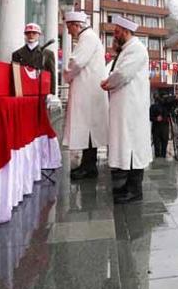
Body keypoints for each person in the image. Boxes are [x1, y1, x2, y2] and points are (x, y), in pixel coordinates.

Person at [101, 15, 152, 204]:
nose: (114, 35)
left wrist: (107, 83)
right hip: (125, 106)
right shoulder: (127, 50)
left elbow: (122, 74)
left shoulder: (136, 49)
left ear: (125, 31)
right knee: (126, 145)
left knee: (133, 147)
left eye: (116, 31)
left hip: (132, 107)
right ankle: (126, 186)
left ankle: (135, 190)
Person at [63, 11, 109, 181]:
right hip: (88, 89)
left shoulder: (87, 38)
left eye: (69, 27)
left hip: (87, 90)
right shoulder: (89, 37)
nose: (68, 31)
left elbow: (76, 62)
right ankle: (88, 165)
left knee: (88, 128)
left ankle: (88, 166)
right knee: (89, 128)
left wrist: (66, 74)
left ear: (76, 25)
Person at [11, 23, 56, 94]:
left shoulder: (47, 54)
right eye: (28, 33)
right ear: (25, 35)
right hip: (24, 90)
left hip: (41, 91)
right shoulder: (17, 54)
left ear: (39, 35)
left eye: (34, 33)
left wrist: (52, 94)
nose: (31, 35)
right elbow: (15, 75)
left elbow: (52, 75)